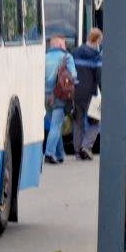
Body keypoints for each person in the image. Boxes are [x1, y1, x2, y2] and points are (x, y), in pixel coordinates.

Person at [43, 34, 77, 164]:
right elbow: (73, 75)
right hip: (59, 95)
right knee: (56, 126)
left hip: (45, 96)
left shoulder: (44, 57)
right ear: (60, 45)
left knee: (54, 124)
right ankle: (49, 153)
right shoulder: (67, 57)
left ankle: (60, 153)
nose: (65, 45)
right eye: (63, 43)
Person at [71, 28, 103, 161]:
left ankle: (78, 151)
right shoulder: (97, 56)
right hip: (91, 94)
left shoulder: (75, 52)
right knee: (96, 121)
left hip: (75, 93)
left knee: (78, 122)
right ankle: (86, 146)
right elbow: (100, 77)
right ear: (97, 40)